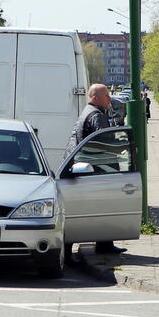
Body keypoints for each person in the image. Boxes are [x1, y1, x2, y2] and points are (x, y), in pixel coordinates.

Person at [64, 83, 127, 256]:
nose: (109, 98)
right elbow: (105, 142)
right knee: (95, 209)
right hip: (96, 171)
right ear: (94, 98)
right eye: (106, 95)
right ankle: (69, 253)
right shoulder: (96, 116)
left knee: (100, 208)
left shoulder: (89, 112)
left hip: (87, 169)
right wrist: (122, 145)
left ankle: (104, 245)